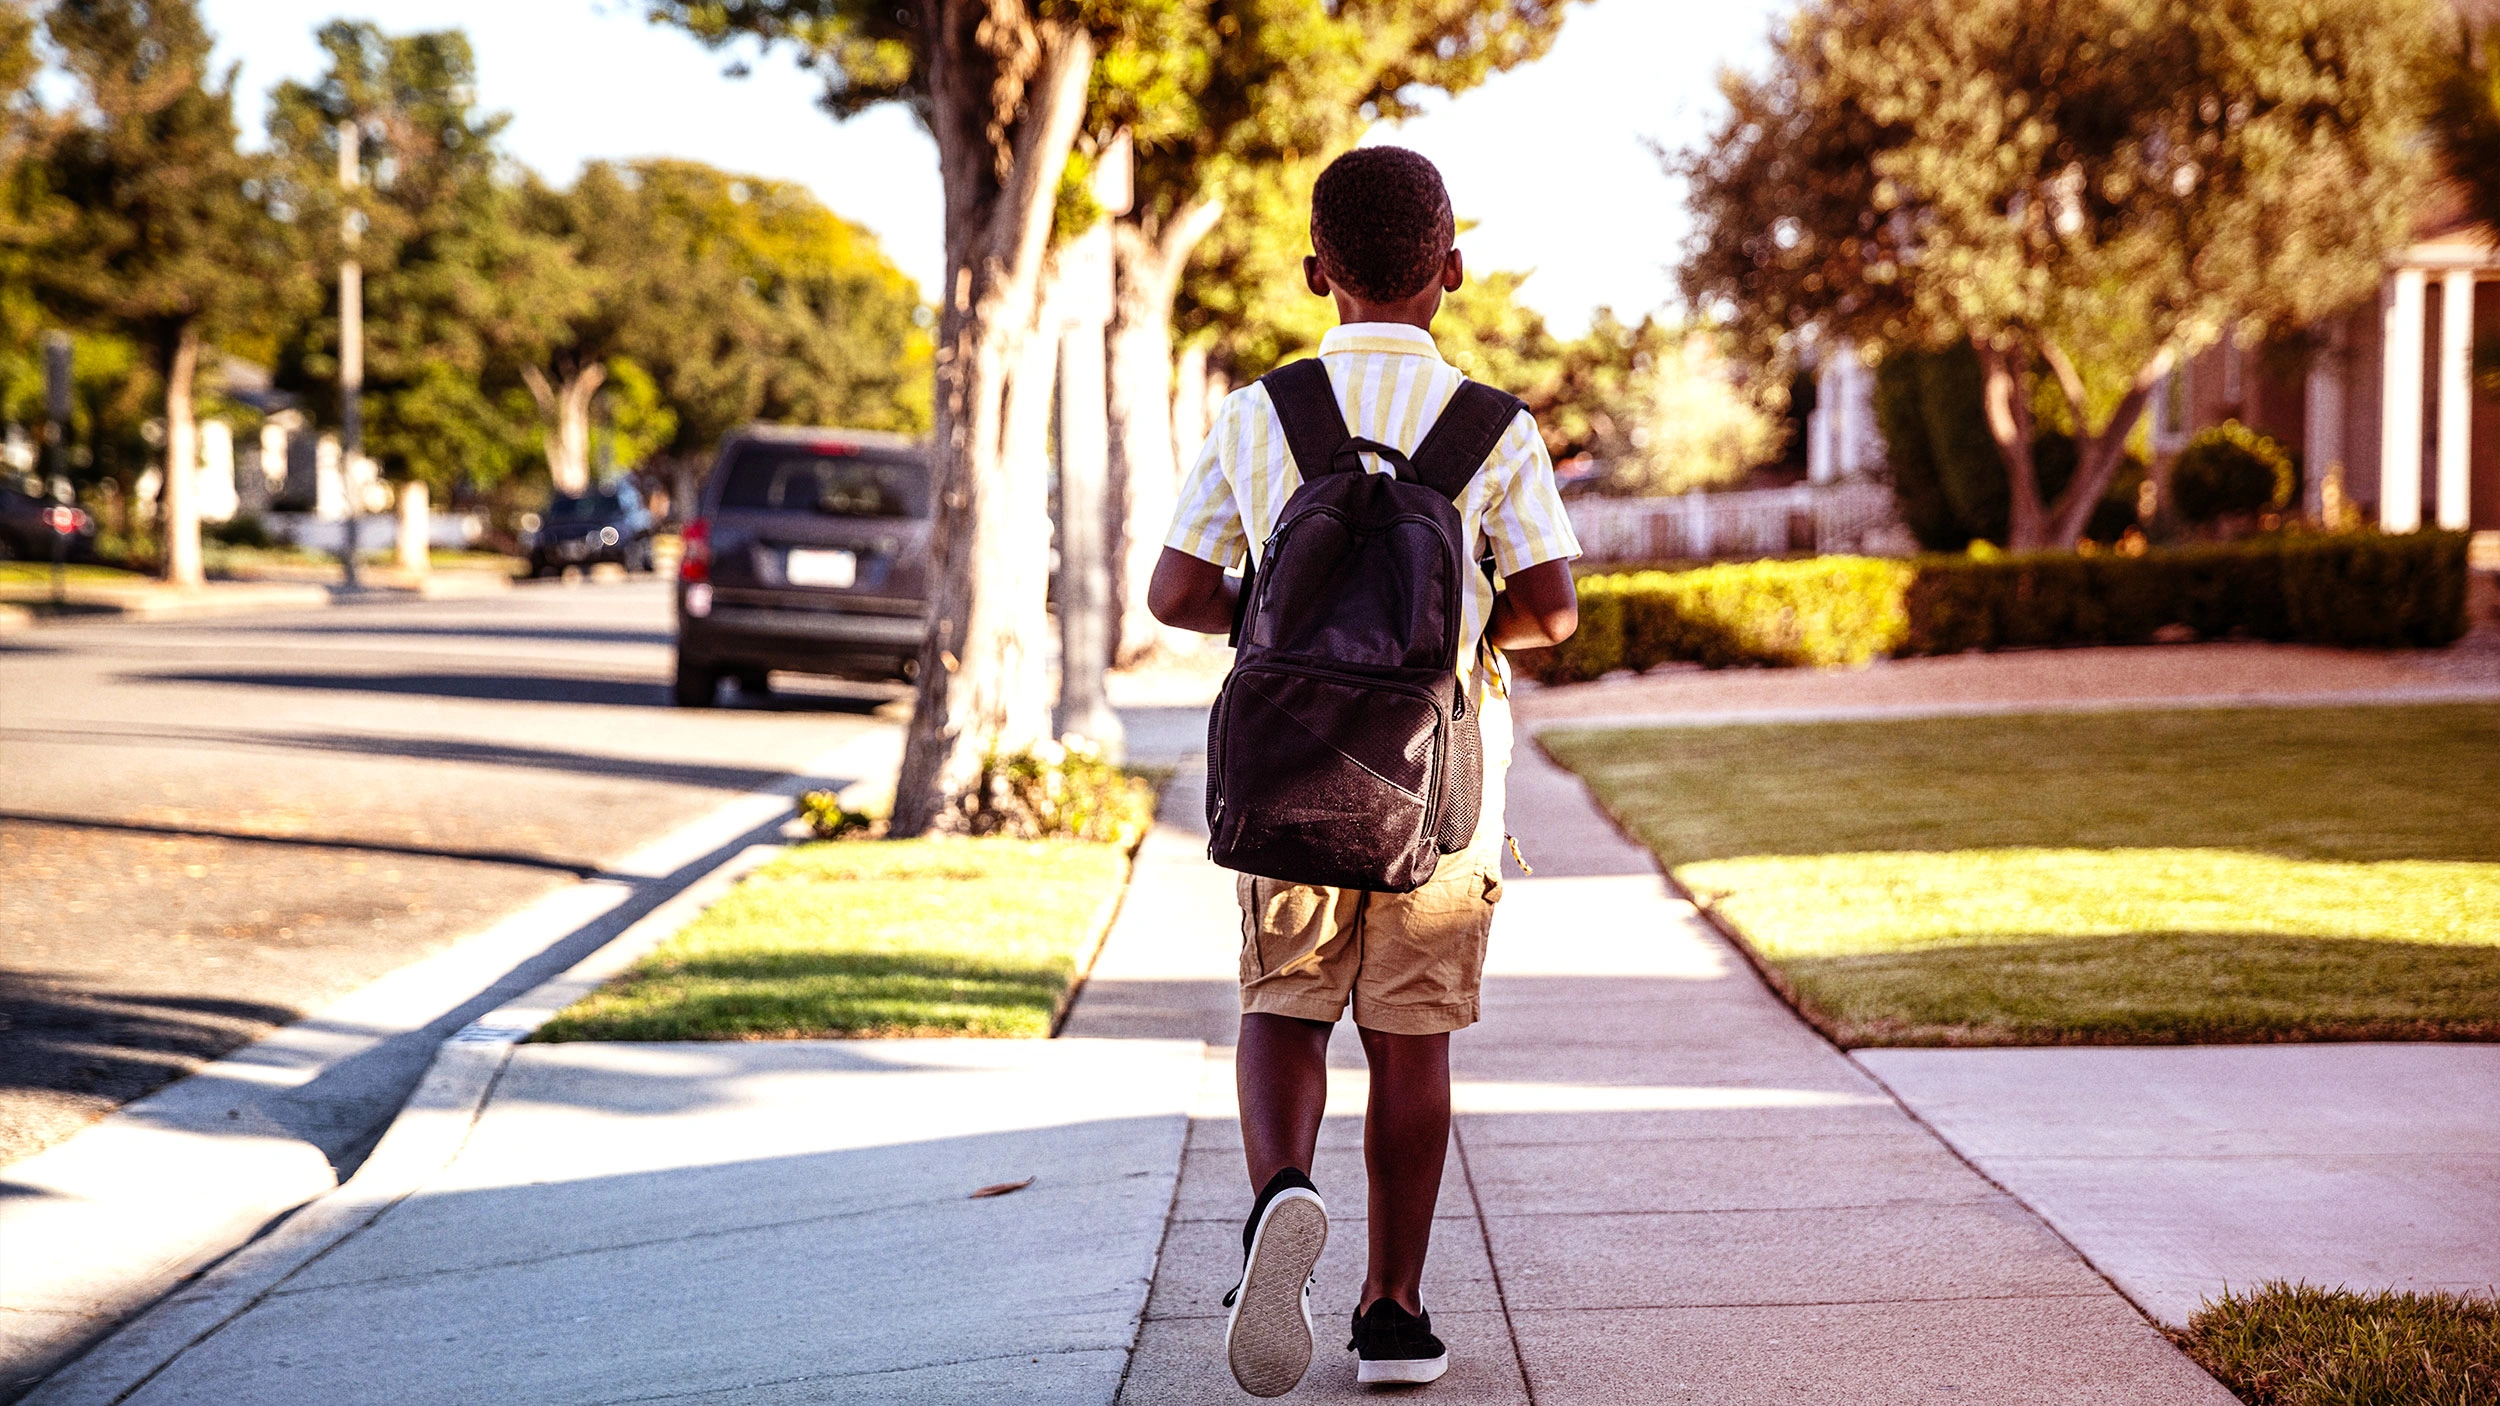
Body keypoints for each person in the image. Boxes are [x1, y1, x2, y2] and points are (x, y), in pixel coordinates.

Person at [1147, 145, 1581, 1396]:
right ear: (1449, 270)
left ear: (1314, 272)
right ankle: (1392, 1312)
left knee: (1282, 1002)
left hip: (1285, 767)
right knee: (1411, 1036)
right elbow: (1552, 609)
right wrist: (1454, 636)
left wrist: (1279, 621)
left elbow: (1175, 591)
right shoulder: (1494, 429)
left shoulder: (1257, 414)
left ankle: (1281, 1189)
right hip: (1436, 781)